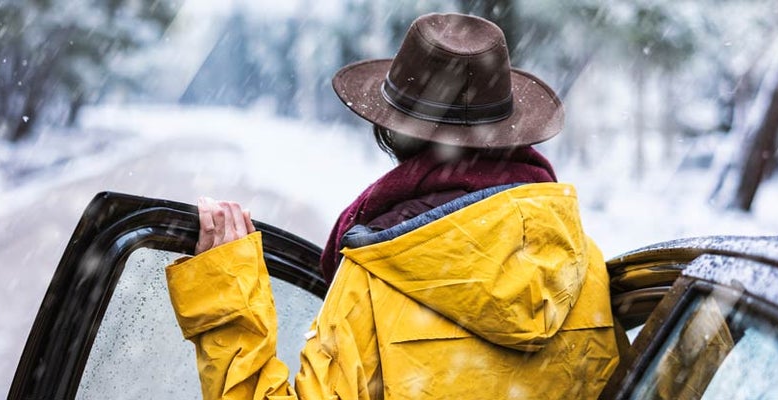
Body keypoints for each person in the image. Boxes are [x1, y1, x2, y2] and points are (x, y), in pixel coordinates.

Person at [165, 12, 619, 399]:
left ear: (392, 134)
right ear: (511, 133)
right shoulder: (583, 263)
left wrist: (227, 305)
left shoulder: (376, 277)